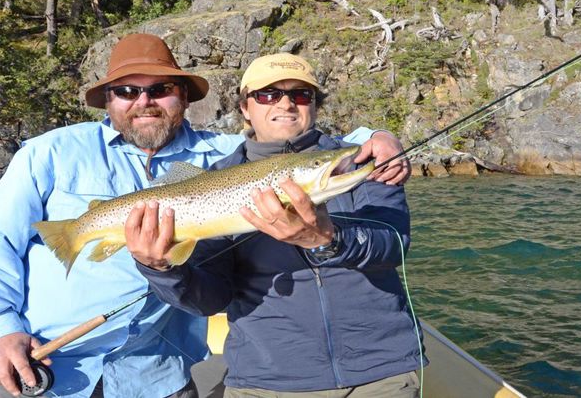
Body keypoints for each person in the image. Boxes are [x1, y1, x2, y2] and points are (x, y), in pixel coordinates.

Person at [0, 34, 410, 398]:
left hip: (156, 373)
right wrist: (0, 331)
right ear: (108, 101)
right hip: (45, 360)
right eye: (127, 91)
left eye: (160, 90)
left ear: (182, 97)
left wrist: (378, 137)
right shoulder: (51, 152)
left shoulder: (223, 156)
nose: (145, 101)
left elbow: (301, 142)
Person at [126, 53, 424, 397]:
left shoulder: (363, 162)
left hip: (380, 372)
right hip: (265, 380)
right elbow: (210, 300)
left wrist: (327, 239)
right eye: (267, 95)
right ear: (245, 108)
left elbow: (394, 245)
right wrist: (160, 268)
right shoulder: (214, 179)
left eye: (301, 94)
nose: (286, 103)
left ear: (315, 105)